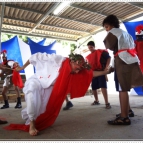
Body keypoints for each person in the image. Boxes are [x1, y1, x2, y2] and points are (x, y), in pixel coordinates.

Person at [4, 52, 111, 136]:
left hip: (50, 88)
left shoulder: (75, 70)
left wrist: (105, 72)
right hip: (38, 80)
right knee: (32, 92)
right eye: (77, 69)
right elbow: (35, 56)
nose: (78, 72)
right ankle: (32, 124)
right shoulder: (57, 59)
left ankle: (32, 118)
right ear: (73, 62)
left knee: (43, 109)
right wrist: (22, 68)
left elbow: (91, 73)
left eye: (79, 70)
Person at [103, 15, 143, 125]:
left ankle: (124, 117)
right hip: (130, 60)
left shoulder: (114, 32)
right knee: (125, 87)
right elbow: (119, 50)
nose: (106, 29)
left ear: (112, 25)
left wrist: (108, 34)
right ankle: (128, 110)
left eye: (106, 27)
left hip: (122, 62)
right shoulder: (127, 34)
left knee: (122, 89)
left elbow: (109, 45)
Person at [86, 41, 111, 109]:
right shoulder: (88, 56)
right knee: (94, 87)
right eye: (89, 47)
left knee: (103, 86)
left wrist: (107, 67)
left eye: (91, 47)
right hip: (94, 73)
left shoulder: (101, 52)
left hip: (101, 71)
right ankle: (96, 100)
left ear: (94, 47)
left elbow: (108, 58)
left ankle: (107, 103)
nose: (90, 48)